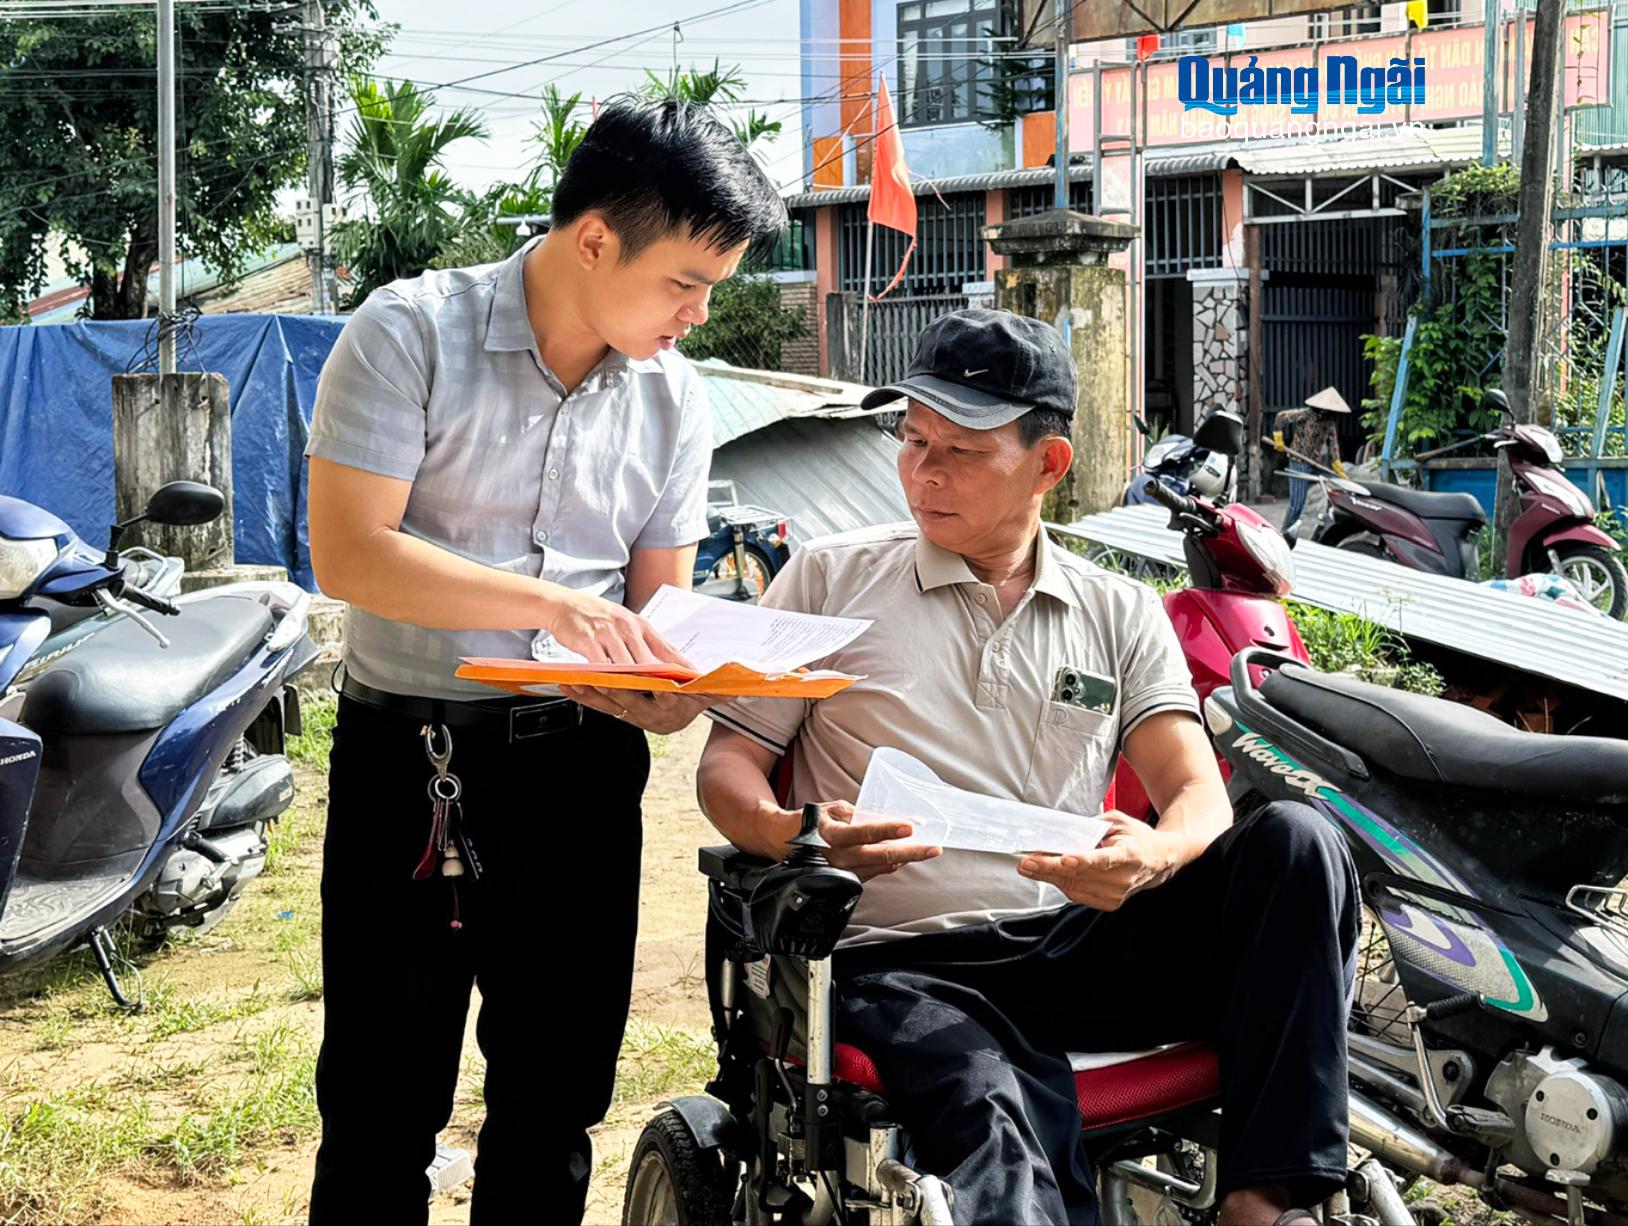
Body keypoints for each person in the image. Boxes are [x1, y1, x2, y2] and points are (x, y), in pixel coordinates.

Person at [696, 308, 1360, 1226]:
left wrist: (1154, 857)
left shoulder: (1118, 609)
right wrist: (798, 833)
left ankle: (1261, 1201)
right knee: (990, 1112)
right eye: (911, 438)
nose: (922, 470)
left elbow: (1196, 792)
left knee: (1299, 840)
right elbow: (728, 764)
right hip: (897, 964)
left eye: (960, 450)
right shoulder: (827, 576)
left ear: (1048, 463)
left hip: (1067, 944)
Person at [303, 97, 786, 1223]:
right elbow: (348, 553)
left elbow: (658, 605)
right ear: (594, 239)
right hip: (412, 761)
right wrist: (560, 606)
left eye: (714, 287)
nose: (699, 315)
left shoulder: (672, 396)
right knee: (380, 1101)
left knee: (555, 1100)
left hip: (581, 768)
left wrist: (671, 695)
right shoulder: (408, 331)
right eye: (684, 282)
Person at [1273, 387, 1350, 532]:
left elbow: (1333, 446)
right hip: (1298, 461)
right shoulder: (1306, 414)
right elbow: (1280, 417)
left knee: (1336, 482)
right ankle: (1285, 532)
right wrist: (1278, 439)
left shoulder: (1330, 423)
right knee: (1297, 503)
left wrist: (1338, 468)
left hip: (1314, 463)